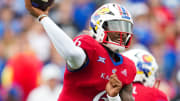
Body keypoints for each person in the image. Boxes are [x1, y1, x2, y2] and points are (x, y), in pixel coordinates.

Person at [25, 1, 136, 101]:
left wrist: (113, 98)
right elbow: (72, 54)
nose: (122, 33)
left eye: (125, 28)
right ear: (99, 26)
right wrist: (43, 18)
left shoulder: (128, 67)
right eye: (116, 27)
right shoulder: (90, 46)